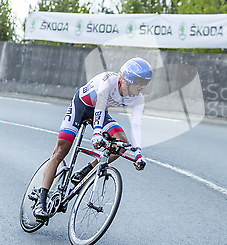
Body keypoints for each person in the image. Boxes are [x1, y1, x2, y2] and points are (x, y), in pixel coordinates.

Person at [33, 57, 153, 221]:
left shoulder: (138, 98)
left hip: (101, 113)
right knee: (60, 151)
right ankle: (41, 199)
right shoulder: (109, 81)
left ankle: (85, 171)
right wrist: (96, 133)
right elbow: (100, 106)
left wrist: (138, 153)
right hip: (82, 107)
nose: (142, 87)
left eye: (145, 82)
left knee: (122, 145)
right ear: (127, 79)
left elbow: (136, 125)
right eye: (139, 82)